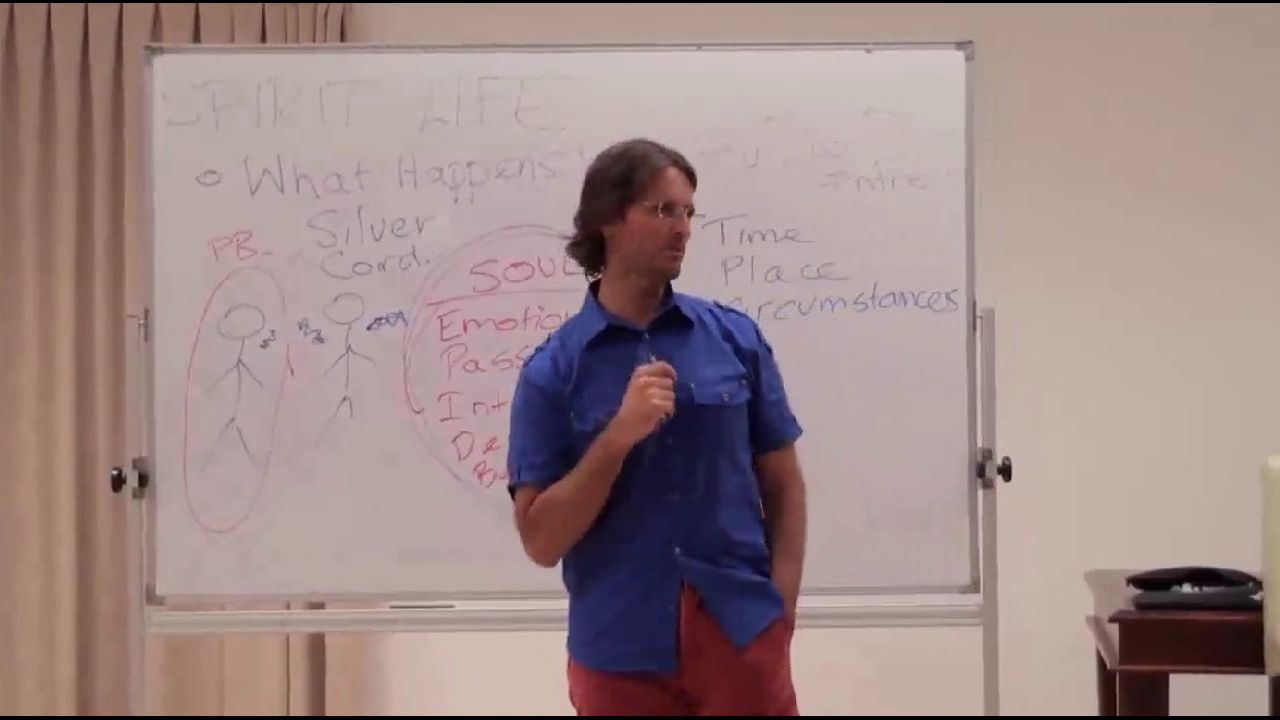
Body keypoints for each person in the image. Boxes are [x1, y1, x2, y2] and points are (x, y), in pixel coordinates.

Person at [506, 137, 808, 716]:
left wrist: (781, 608)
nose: (683, 228)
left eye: (689, 212)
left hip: (741, 636)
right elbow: (541, 540)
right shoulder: (553, 371)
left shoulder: (735, 339)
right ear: (609, 220)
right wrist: (617, 437)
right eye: (663, 210)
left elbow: (783, 483)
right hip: (618, 649)